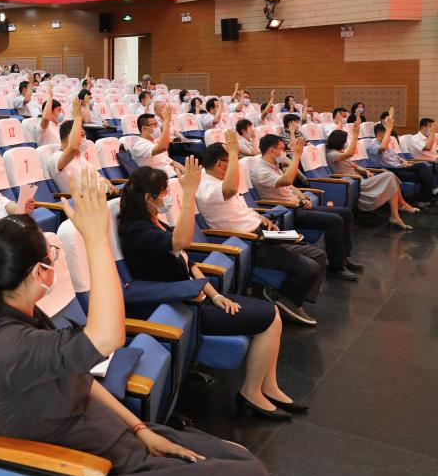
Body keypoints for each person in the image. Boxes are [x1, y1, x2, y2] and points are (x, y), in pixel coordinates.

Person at [0, 170, 275, 476]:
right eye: (53, 255)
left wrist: (141, 429)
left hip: (118, 441)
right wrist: (96, 239)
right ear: (38, 272)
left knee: (238, 457)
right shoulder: (7, 344)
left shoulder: (25, 316)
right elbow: (107, 338)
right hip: (91, 475)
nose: (56, 261)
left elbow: (82, 379)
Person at [120, 160, 299, 420]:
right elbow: (182, 242)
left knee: (273, 315)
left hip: (196, 297)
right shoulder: (136, 231)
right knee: (270, 317)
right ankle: (251, 393)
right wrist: (189, 194)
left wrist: (216, 295)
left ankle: (268, 386)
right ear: (149, 198)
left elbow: (188, 262)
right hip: (180, 308)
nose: (168, 197)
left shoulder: (154, 222)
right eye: (165, 192)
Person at [198, 137, 327, 326]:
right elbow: (230, 190)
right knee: (309, 267)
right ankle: (289, 302)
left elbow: (241, 210)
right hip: (249, 243)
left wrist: (260, 217)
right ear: (220, 164)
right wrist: (233, 152)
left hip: (262, 233)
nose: (235, 166)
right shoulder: (206, 186)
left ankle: (287, 297)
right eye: (231, 161)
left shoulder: (222, 181)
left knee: (319, 255)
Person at [252, 134, 361, 281]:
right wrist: (297, 155)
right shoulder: (261, 171)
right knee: (335, 220)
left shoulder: (273, 167)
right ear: (272, 150)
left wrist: (302, 197)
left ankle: (343, 257)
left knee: (345, 213)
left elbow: (290, 187)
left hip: (297, 206)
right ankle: (335, 267)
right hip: (287, 211)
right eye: (282, 149)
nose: (284, 152)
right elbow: (287, 180)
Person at [326, 126, 415, 229]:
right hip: (354, 183)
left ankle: (395, 215)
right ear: (339, 141)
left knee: (390, 176)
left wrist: (365, 170)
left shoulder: (340, 153)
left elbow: (354, 166)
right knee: (389, 175)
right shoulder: (331, 154)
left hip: (361, 179)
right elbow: (350, 153)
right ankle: (397, 212)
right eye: (345, 141)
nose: (346, 143)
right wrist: (355, 135)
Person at [367, 115, 438, 204]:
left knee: (423, 168)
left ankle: (426, 196)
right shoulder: (372, 145)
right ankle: (427, 195)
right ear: (380, 134)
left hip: (400, 166)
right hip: (392, 170)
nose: (390, 136)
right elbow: (382, 148)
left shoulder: (387, 144)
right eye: (388, 133)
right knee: (423, 172)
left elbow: (396, 156)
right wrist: (389, 129)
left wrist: (403, 161)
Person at [45, 102, 91, 193]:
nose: (84, 139)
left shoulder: (80, 158)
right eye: (81, 135)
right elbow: (73, 148)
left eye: (84, 135)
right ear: (69, 136)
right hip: (84, 199)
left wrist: (109, 185)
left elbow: (98, 177)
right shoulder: (56, 157)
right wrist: (77, 117)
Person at [129, 106, 185, 179]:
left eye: (157, 124)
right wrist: (166, 122)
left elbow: (172, 162)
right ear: (144, 128)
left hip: (174, 176)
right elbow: (163, 147)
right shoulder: (139, 146)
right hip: (159, 181)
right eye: (154, 124)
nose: (157, 127)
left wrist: (186, 172)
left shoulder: (155, 142)